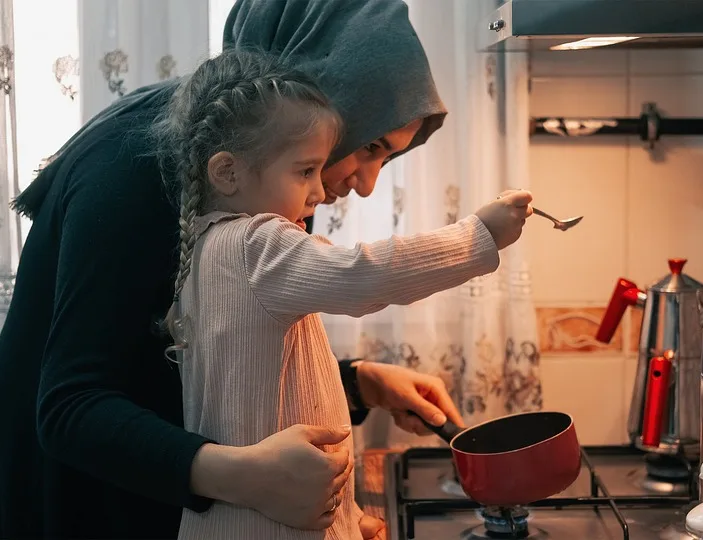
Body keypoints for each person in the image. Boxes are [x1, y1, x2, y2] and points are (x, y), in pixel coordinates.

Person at [0, 1, 472, 539]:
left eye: (389, 159)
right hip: (49, 506)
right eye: (370, 147)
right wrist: (250, 479)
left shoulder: (256, 172)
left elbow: (205, 352)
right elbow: (72, 409)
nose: (366, 184)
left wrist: (361, 383)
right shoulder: (138, 165)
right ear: (321, 87)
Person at [157, 49, 532, 540]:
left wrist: (349, 520)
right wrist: (477, 235)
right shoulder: (257, 244)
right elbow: (363, 274)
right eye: (304, 171)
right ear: (227, 173)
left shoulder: (206, 249)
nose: (318, 192)